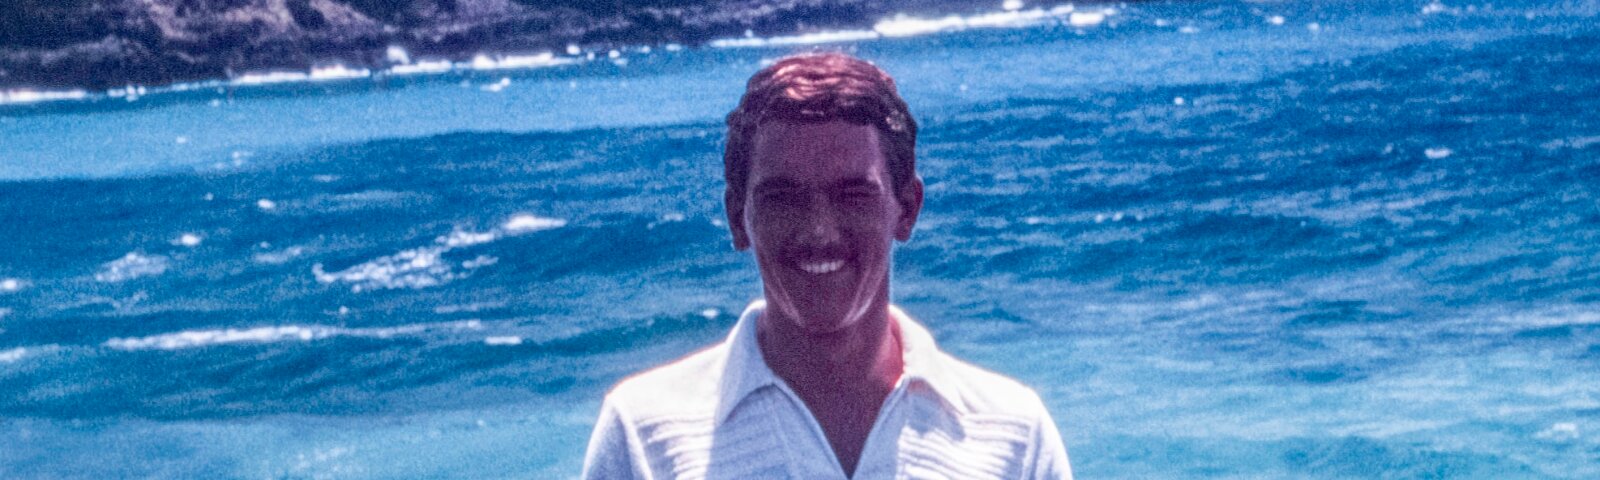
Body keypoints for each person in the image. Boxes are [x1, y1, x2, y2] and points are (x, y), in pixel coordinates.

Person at [581, 52, 1072, 479]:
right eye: (783, 198)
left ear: (906, 209)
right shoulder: (645, 433)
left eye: (852, 195)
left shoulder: (1012, 435)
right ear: (737, 217)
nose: (819, 232)